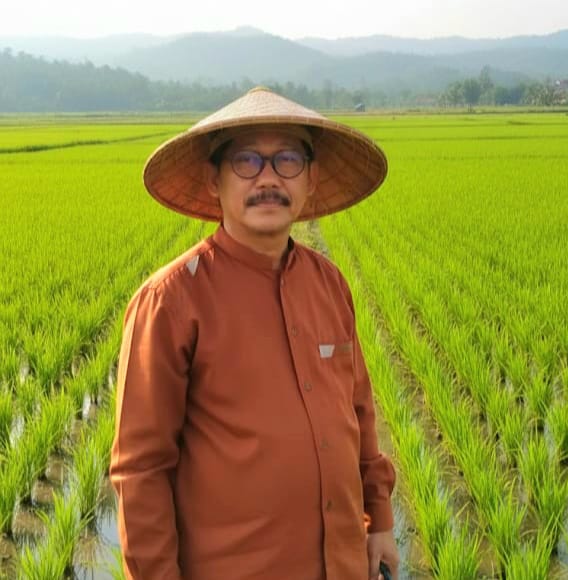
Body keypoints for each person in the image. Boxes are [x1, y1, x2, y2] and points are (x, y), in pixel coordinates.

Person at [110, 86, 399, 580]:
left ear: (310, 179)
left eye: (288, 160)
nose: (268, 178)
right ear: (214, 180)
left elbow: (359, 413)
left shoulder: (329, 283)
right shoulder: (171, 301)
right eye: (246, 161)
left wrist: (380, 522)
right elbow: (141, 471)